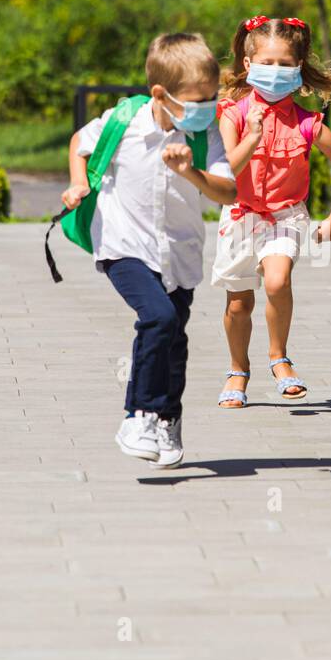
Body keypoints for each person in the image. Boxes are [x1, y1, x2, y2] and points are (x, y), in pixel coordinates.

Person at [61, 33, 236, 467]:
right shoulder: (123, 122)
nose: (207, 106)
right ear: (160, 94)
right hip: (123, 246)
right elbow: (79, 143)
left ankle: (167, 418)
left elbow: (229, 192)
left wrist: (190, 172)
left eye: (212, 97)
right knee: (157, 317)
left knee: (174, 338)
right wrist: (78, 183)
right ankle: (137, 415)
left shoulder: (205, 134)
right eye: (197, 99)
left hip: (179, 253)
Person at [212, 15, 331, 408]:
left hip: (285, 217)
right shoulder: (233, 113)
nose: (275, 72)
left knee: (277, 282)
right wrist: (254, 135)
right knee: (239, 302)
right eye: (267, 63)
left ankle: (279, 357)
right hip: (241, 215)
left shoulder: (309, 123)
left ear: (298, 70)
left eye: (284, 65)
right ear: (248, 65)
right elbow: (228, 167)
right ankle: (237, 368)